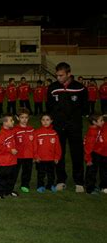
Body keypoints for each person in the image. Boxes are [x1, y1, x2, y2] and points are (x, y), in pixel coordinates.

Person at [46, 62, 88, 192]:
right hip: (58, 127)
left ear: (69, 74)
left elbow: (84, 108)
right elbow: (49, 107)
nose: (58, 78)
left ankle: (79, 182)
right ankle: (61, 180)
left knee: (77, 154)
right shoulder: (53, 88)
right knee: (59, 154)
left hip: (74, 127)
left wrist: (73, 119)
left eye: (61, 75)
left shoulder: (80, 88)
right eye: (57, 75)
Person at [33, 114, 61, 193]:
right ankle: (40, 186)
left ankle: (50, 185)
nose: (45, 122)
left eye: (47, 120)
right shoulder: (37, 132)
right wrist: (36, 156)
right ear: (41, 121)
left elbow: (57, 146)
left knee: (51, 173)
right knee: (41, 174)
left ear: (51, 121)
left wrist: (57, 157)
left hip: (51, 158)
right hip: (40, 159)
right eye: (43, 120)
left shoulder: (54, 133)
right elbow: (34, 146)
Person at [0, 114, 19, 199]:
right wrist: (10, 150)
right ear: (5, 123)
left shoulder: (11, 131)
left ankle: (9, 190)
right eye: (11, 120)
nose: (13, 122)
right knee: (3, 178)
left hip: (12, 160)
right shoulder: (1, 134)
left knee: (12, 177)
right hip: (4, 162)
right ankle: (0, 192)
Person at [83, 114, 107, 194]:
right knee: (91, 172)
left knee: (93, 170)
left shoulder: (97, 128)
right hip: (92, 154)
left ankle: (92, 186)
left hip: (96, 153)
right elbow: (88, 147)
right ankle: (89, 189)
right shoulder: (92, 133)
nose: (103, 122)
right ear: (94, 122)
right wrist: (88, 159)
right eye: (101, 120)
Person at [14, 108, 34, 193]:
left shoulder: (32, 129)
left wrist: (35, 154)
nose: (24, 119)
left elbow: (35, 143)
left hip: (29, 155)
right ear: (17, 118)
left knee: (27, 171)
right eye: (22, 117)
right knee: (14, 171)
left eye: (26, 117)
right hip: (18, 155)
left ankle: (25, 185)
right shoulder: (14, 129)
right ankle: (11, 184)